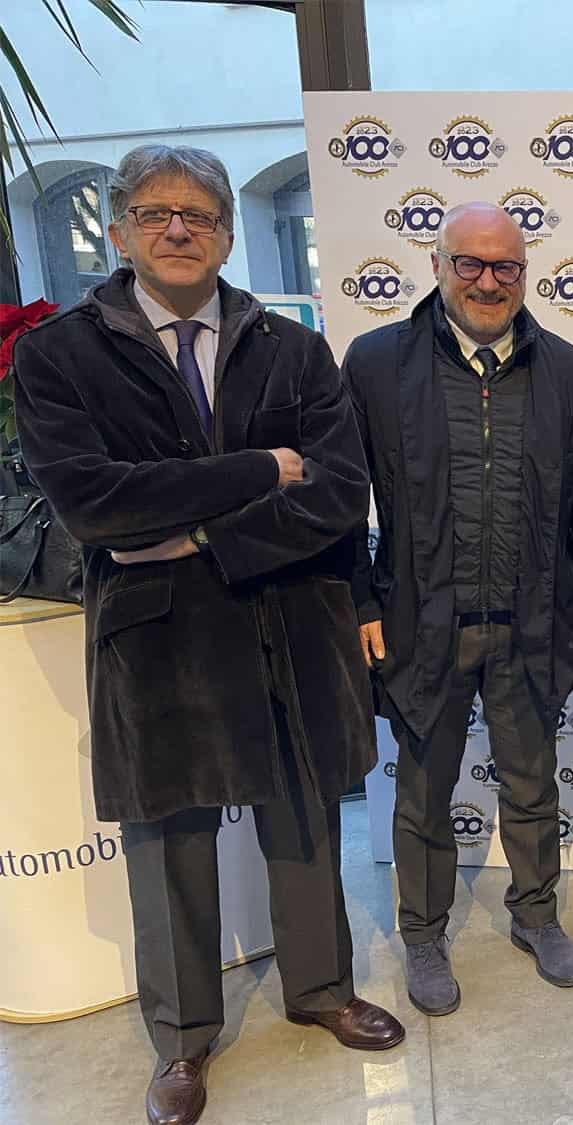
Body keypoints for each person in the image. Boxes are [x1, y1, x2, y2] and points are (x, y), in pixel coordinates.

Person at [11, 144, 403, 1125]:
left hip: (288, 623)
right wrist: (260, 470)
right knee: (170, 844)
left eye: (199, 215)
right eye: (156, 213)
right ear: (119, 230)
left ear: (227, 235)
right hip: (159, 642)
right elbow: (95, 504)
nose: (178, 229)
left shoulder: (293, 348)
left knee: (306, 820)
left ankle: (321, 988)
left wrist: (194, 534)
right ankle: (182, 1040)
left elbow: (337, 493)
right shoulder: (59, 353)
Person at [341, 203, 573, 1013]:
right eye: (471, 263)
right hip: (424, 620)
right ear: (438, 265)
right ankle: (423, 934)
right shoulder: (377, 362)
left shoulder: (563, 369)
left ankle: (536, 915)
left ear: (525, 273)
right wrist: (360, 598)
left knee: (531, 783)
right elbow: (344, 495)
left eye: (506, 266)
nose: (489, 281)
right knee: (422, 793)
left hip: (529, 619)